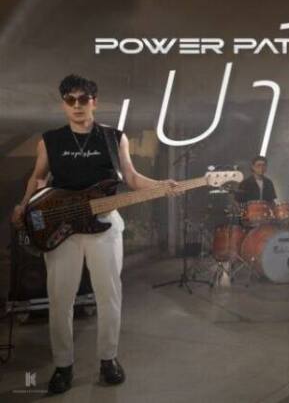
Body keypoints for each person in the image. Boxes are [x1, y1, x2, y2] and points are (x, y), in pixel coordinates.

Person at [11, 74, 177, 394]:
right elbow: (38, 178)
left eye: (83, 99)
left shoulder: (114, 138)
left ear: (94, 102)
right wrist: (23, 205)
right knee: (60, 299)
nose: (77, 105)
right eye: (70, 100)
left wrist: (160, 186)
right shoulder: (49, 140)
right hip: (61, 227)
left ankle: (108, 359)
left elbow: (131, 177)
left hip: (104, 224)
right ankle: (63, 366)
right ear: (64, 104)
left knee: (109, 295)